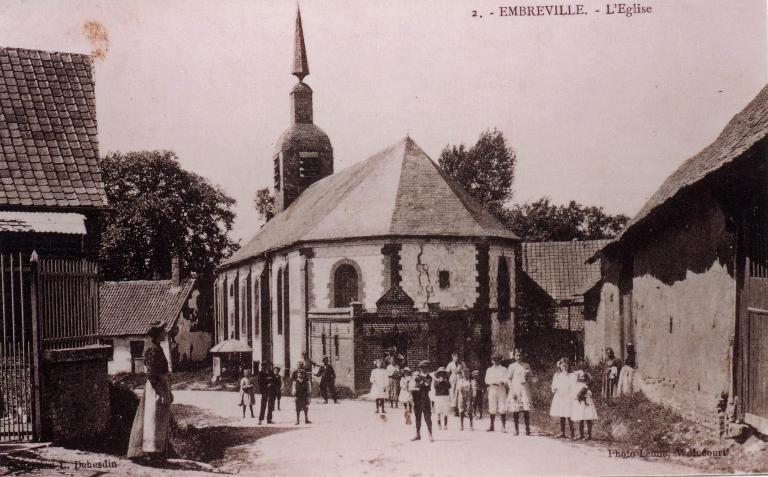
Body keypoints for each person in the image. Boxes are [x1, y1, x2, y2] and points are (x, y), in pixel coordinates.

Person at [127, 321, 173, 463]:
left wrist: (167, 390)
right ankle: (152, 453)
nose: (165, 334)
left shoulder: (157, 348)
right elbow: (152, 375)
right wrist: (162, 393)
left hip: (160, 386)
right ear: (158, 335)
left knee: (158, 419)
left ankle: (157, 452)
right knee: (153, 419)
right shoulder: (153, 350)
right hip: (155, 389)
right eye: (162, 332)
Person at [507, 349, 534, 436]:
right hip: (515, 388)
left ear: (522, 356)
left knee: (526, 409)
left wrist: (528, 378)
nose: (518, 357)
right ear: (514, 356)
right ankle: (516, 429)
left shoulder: (526, 365)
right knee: (516, 409)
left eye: (520, 355)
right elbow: (509, 379)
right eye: (517, 356)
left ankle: (527, 429)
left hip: (524, 388)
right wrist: (512, 390)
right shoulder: (512, 366)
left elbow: (531, 376)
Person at [550, 358, 575, 438]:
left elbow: (574, 386)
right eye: (562, 365)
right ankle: (562, 432)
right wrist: (554, 389)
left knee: (569, 414)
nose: (564, 367)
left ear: (568, 366)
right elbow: (554, 386)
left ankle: (572, 433)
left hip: (569, 396)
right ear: (560, 366)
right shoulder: (557, 375)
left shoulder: (571, 375)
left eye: (566, 365)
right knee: (562, 413)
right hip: (560, 396)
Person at [410, 360, 434, 441]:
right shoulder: (416, 377)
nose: (424, 369)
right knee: (417, 417)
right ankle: (417, 434)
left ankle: (430, 434)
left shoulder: (429, 377)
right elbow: (412, 387)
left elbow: (427, 386)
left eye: (426, 367)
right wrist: (420, 384)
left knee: (427, 417)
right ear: (420, 368)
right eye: (423, 367)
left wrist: (419, 384)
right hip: (417, 399)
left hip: (425, 399)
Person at [484, 354, 508, 432]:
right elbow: (486, 380)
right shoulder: (489, 369)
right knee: (492, 407)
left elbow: (507, 379)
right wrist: (494, 382)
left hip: (501, 389)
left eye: (498, 359)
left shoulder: (504, 369)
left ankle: (503, 427)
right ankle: (492, 426)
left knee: (502, 406)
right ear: (492, 360)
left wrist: (503, 382)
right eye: (494, 360)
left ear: (500, 360)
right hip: (492, 389)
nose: (496, 361)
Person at [571, 370, 598, 440]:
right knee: (581, 418)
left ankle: (589, 435)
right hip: (580, 403)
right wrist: (577, 396)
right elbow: (574, 393)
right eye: (581, 376)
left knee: (588, 418)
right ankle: (581, 434)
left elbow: (590, 394)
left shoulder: (586, 385)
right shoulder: (576, 384)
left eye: (583, 376)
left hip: (587, 402)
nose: (582, 378)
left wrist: (587, 393)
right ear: (578, 377)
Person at [445, 352, 463, 416]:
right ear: (452, 357)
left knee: (460, 392)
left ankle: (460, 410)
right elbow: (447, 372)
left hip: (460, 378)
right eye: (455, 357)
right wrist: (446, 379)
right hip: (453, 379)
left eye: (457, 357)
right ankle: (454, 410)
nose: (456, 358)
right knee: (453, 393)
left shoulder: (462, 364)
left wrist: (462, 375)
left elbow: (465, 371)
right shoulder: (450, 364)